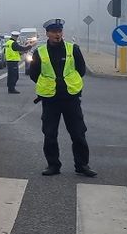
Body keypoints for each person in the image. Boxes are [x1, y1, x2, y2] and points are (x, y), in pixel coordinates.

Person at [27, 18, 95, 178]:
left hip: (71, 99)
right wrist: (48, 84)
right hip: (50, 100)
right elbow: (34, 74)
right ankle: (53, 165)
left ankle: (82, 165)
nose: (57, 34)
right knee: (50, 134)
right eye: (54, 32)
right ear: (48, 33)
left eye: (59, 31)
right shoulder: (40, 52)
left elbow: (81, 70)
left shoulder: (73, 49)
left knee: (78, 133)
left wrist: (68, 83)